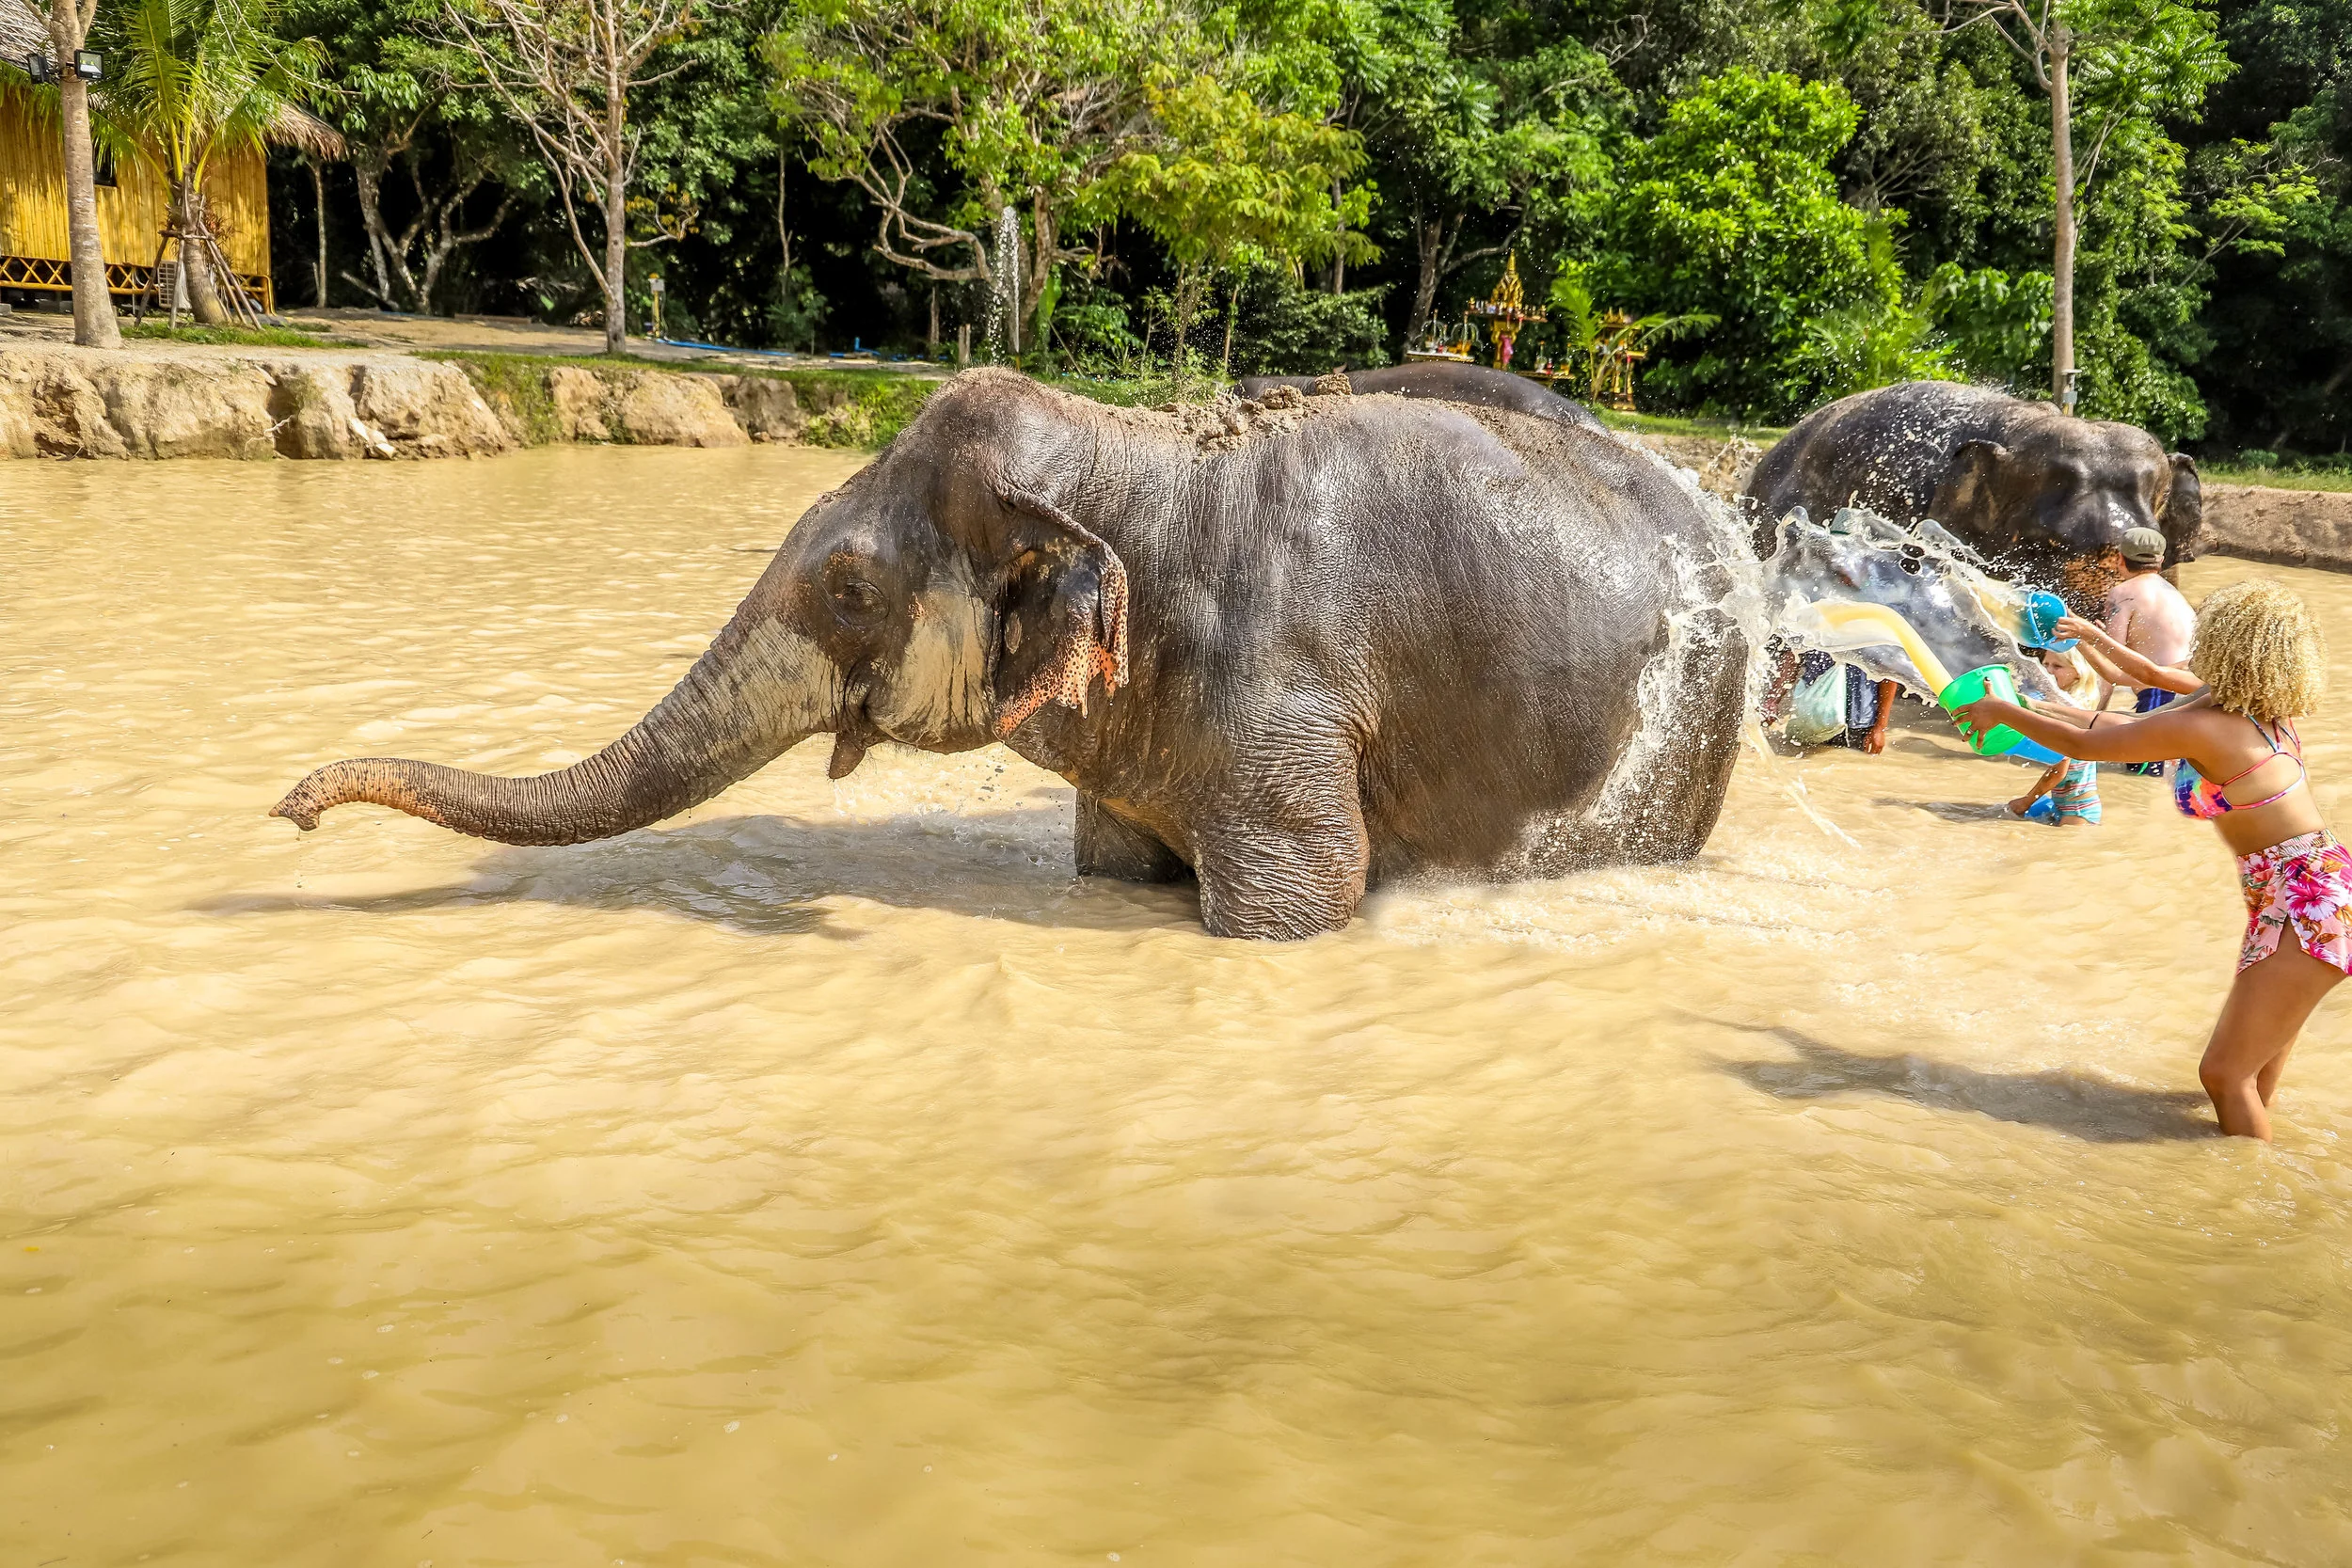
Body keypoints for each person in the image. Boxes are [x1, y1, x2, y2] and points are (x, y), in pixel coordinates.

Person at [1957, 580, 2341, 1140]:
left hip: (2306, 901)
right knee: (2253, 1068)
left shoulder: (2207, 724)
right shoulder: (2246, 709)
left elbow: (2088, 748)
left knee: (2223, 1075)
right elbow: (2119, 726)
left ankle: (2251, 1198)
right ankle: (2245, 1174)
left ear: (2225, 646)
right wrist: (2026, 704)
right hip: (2307, 890)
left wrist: (1999, 712)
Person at [2103, 526, 2198, 773]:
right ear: (2161, 561)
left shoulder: (2122, 594)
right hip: (2193, 692)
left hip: (2160, 695)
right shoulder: (2174, 594)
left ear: (2119, 558)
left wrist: (2091, 719)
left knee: (2141, 774)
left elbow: (2111, 664)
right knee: (2173, 776)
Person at [2004, 647, 2104, 826]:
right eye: (2046, 664)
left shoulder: (2074, 711)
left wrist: (2027, 801)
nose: (2049, 671)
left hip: (2078, 809)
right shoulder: (2061, 705)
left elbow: (2059, 769)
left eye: (2057, 666)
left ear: (2078, 673)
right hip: (2064, 804)